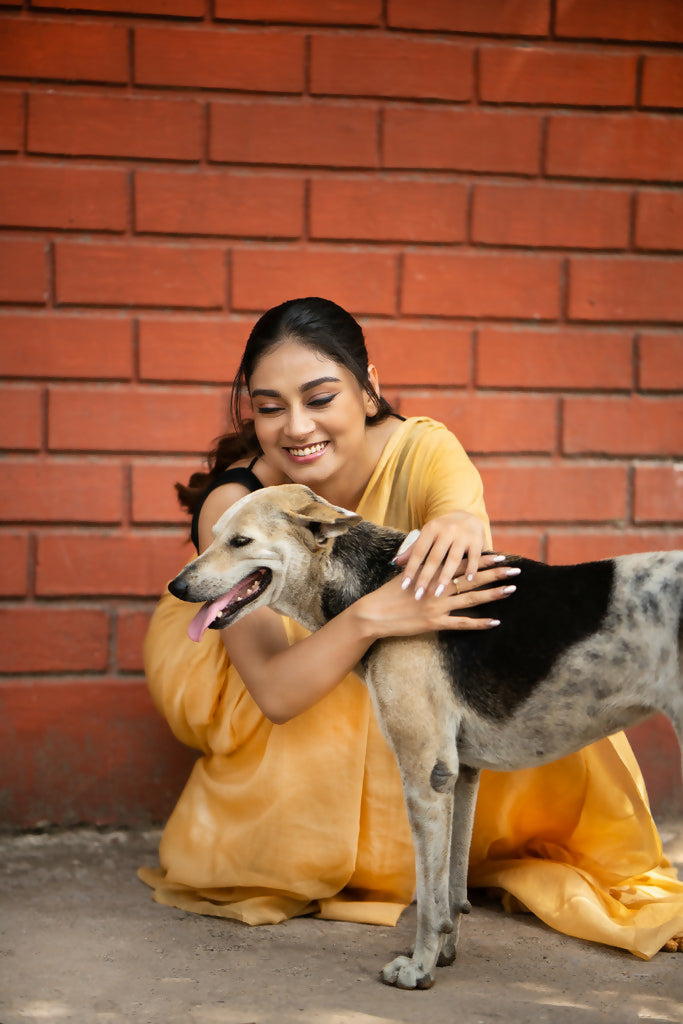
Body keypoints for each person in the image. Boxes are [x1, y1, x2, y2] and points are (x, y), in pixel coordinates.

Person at [140, 297, 683, 957]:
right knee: (344, 749)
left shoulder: (421, 446)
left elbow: (461, 520)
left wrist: (459, 523)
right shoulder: (235, 507)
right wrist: (373, 616)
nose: (296, 427)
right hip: (275, 660)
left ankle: (453, 870)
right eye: (269, 406)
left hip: (417, 656)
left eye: (319, 397)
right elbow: (278, 694)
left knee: (492, 685)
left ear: (367, 388)